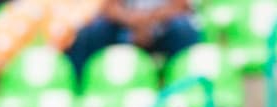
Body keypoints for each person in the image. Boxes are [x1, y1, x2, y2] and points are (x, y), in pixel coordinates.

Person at [66, 0, 199, 77]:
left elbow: (180, 6)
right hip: (127, 26)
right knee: (95, 31)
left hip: (164, 26)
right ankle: (81, 83)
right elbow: (109, 7)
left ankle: (186, 79)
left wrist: (148, 20)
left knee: (183, 28)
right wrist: (135, 22)